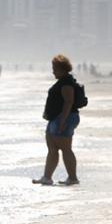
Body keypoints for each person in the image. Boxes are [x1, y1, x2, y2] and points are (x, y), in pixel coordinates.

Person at [33, 54, 81, 186]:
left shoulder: (67, 83)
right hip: (56, 118)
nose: (53, 71)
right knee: (52, 148)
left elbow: (68, 102)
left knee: (66, 148)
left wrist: (62, 122)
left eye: (55, 68)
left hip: (64, 118)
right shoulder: (63, 81)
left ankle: (72, 177)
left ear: (62, 69)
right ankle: (47, 177)